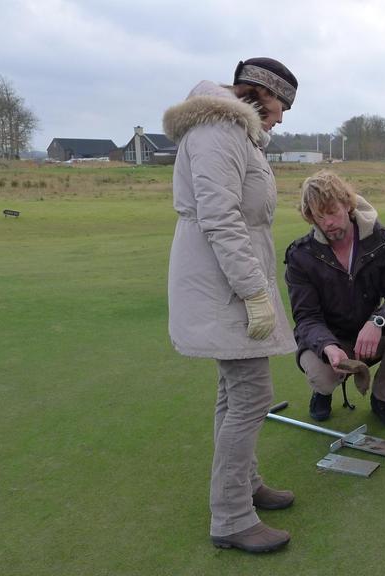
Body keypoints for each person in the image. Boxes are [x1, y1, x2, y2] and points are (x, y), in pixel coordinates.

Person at [164, 57, 299, 553]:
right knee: (250, 395)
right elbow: (221, 220)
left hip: (230, 278)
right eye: (282, 105)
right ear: (258, 93)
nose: (282, 117)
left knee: (235, 391)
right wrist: (254, 293)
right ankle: (231, 517)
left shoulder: (231, 130)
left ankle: (245, 485)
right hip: (224, 283)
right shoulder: (218, 128)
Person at [284, 170, 385, 430]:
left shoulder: (383, 241)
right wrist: (327, 346)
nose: (328, 223)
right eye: (318, 217)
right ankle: (322, 393)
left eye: (332, 212)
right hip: (327, 339)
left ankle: (382, 399)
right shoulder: (300, 255)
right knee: (322, 378)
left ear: (347, 204)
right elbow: (306, 317)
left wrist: (378, 322)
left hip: (369, 333)